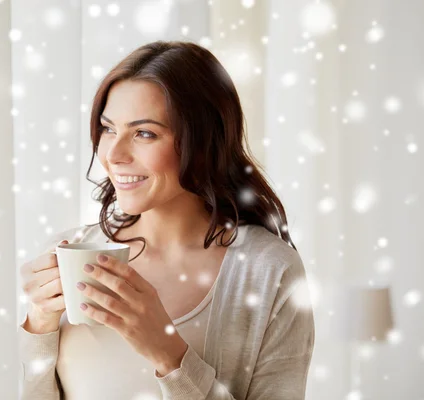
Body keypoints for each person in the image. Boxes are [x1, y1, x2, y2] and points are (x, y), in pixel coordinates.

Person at [19, 40, 315, 400]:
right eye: (109, 128)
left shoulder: (268, 270)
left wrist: (167, 351)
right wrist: (39, 326)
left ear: (203, 142)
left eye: (145, 133)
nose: (113, 154)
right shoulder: (68, 253)